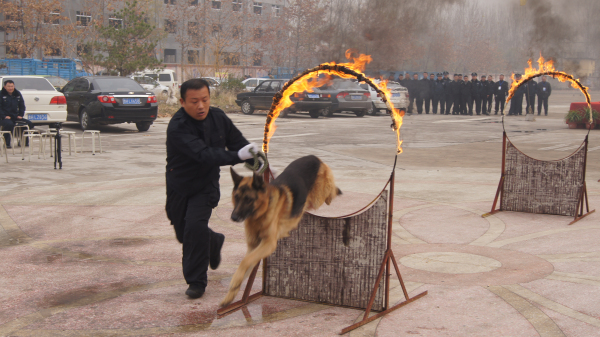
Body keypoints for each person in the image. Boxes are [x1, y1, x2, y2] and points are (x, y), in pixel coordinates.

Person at [165, 78, 259, 299]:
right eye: (194, 101)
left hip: (205, 185)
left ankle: (196, 282)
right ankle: (213, 241)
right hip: (179, 185)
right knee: (183, 233)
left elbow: (238, 143)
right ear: (182, 102)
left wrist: (258, 162)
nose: (201, 106)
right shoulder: (178, 126)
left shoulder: (218, 117)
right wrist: (237, 156)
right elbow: (203, 154)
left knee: (194, 228)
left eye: (205, 100)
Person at [0, 79, 34, 148]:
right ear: (5, 87)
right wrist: (4, 116)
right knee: (9, 124)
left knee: (28, 123)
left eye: (12, 86)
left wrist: (20, 115)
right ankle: (7, 143)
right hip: (4, 117)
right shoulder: (1, 94)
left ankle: (24, 141)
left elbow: (22, 105)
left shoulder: (17, 93)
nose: (10, 88)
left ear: (14, 86)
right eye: (9, 86)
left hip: (15, 116)